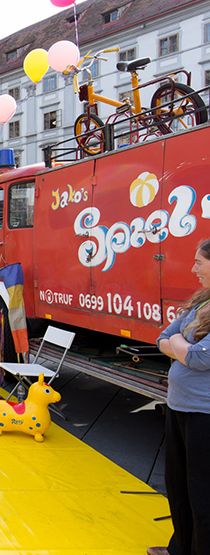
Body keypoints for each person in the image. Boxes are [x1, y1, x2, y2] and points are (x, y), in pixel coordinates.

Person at [152, 238, 210, 555]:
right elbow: (162, 336)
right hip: (180, 406)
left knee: (202, 491)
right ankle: (181, 547)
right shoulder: (201, 302)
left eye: (199, 263)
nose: (193, 269)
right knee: (179, 485)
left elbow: (202, 358)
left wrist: (179, 345)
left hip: (204, 412)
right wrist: (181, 346)